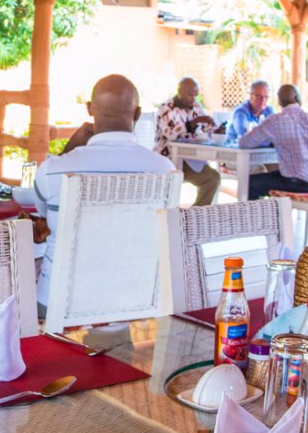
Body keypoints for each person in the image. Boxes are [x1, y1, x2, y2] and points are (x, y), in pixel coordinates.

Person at [26, 74, 178, 310]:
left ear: (89, 109)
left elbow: (43, 216)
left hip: (60, 301)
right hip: (137, 298)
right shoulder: (164, 170)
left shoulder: (53, 171)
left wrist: (73, 147)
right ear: (137, 114)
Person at [238, 83, 308, 198]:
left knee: (248, 183)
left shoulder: (275, 121)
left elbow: (244, 143)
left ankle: (259, 215)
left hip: (293, 184)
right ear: (298, 98)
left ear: (280, 102)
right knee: (273, 175)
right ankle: (274, 213)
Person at [155, 77, 220, 205]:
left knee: (213, 178)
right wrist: (194, 122)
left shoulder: (196, 106)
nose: (194, 99)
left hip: (191, 158)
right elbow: (171, 134)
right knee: (211, 178)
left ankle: (197, 215)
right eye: (190, 95)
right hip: (168, 159)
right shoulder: (166, 108)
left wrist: (216, 129)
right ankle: (175, 217)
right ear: (179, 92)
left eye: (195, 95)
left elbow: (207, 127)